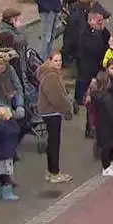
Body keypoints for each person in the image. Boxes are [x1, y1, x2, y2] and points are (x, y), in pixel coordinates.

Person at [35, 50, 74, 184]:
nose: (58, 63)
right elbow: (56, 97)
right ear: (49, 61)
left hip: (49, 111)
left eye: (60, 60)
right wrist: (67, 109)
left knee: (52, 142)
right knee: (54, 143)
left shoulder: (49, 73)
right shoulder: (51, 76)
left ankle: (50, 171)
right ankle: (54, 172)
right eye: (56, 61)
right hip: (52, 112)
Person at [90, 69, 113, 177]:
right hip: (107, 124)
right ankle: (106, 167)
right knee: (107, 146)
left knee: (106, 145)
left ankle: (109, 164)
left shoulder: (96, 95)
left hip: (101, 124)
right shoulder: (106, 97)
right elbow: (111, 112)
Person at [0, 107, 21, 201]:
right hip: (7, 154)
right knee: (7, 174)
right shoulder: (9, 127)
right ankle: (7, 193)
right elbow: (16, 130)